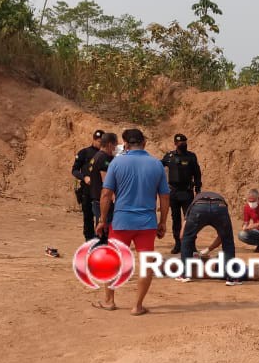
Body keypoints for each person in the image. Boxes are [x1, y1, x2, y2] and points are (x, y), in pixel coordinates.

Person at [96, 128, 170, 315]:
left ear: (126, 144)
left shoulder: (117, 163)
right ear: (144, 142)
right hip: (146, 223)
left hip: (121, 221)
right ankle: (137, 306)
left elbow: (106, 194)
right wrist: (163, 222)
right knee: (146, 264)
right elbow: (164, 197)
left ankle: (109, 301)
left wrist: (102, 220)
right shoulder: (156, 164)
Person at [177, 191, 242, 285]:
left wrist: (191, 252)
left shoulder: (192, 205)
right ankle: (231, 278)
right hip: (219, 207)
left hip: (199, 207)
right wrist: (208, 250)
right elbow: (222, 236)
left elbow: (182, 236)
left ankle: (184, 275)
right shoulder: (221, 200)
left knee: (187, 238)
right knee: (228, 241)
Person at [161, 133, 202, 254]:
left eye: (184, 141)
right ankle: (177, 244)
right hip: (173, 192)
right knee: (175, 219)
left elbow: (197, 173)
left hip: (187, 192)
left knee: (190, 219)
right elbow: (158, 167)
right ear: (175, 143)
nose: (183, 144)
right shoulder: (169, 156)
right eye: (180, 142)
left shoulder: (191, 156)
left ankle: (191, 244)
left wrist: (198, 189)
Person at [72, 129, 104, 241]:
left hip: (101, 190)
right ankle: (89, 240)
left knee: (101, 218)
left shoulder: (106, 155)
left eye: (103, 142)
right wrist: (83, 177)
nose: (101, 144)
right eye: (99, 141)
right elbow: (75, 170)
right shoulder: (84, 153)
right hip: (87, 190)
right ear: (94, 140)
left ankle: (99, 239)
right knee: (88, 217)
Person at [87, 132, 118, 228]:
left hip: (97, 199)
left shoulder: (96, 156)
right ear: (109, 144)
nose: (115, 148)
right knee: (105, 230)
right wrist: (114, 197)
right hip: (104, 201)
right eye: (115, 145)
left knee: (101, 229)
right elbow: (106, 182)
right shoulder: (104, 159)